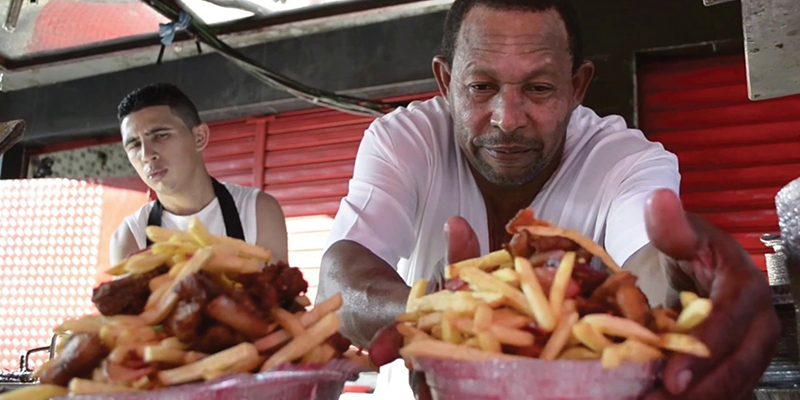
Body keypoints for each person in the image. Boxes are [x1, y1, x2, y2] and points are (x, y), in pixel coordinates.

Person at [316, 0, 779, 399]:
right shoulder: (404, 140)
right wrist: (437, 310)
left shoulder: (628, 161)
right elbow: (341, 280)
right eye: (481, 87)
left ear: (577, 87)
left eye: (538, 88)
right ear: (445, 81)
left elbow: (650, 267)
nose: (508, 118)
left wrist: (684, 283)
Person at [110, 83, 288, 265]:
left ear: (199, 137)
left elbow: (279, 289)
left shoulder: (257, 211)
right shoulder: (130, 237)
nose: (147, 155)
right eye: (134, 145)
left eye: (160, 135)